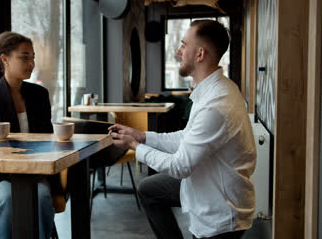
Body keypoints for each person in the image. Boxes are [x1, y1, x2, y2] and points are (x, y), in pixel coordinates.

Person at [109, 20, 256, 239]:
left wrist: (135, 146)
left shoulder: (216, 105)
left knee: (156, 185)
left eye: (183, 45)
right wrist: (142, 136)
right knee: (150, 190)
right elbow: (187, 137)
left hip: (220, 212)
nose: (178, 51)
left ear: (200, 54)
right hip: (209, 185)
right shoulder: (212, 90)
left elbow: (179, 167)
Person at [0, 31, 58, 239]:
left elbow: (47, 140)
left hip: (34, 171)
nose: (31, 63)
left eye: (33, 57)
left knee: (42, 197)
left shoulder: (39, 95)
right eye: (24, 57)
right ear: (5, 60)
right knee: (6, 199)